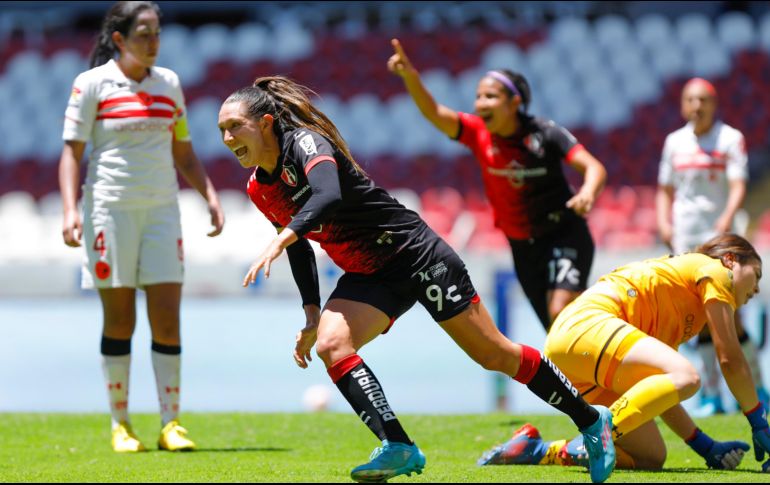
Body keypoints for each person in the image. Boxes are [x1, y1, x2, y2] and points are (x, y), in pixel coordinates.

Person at [218, 75, 616, 483]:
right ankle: (398, 446)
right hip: (371, 272)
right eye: (221, 131)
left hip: (416, 253)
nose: (228, 138)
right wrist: (310, 313)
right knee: (331, 343)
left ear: (265, 122)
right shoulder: (257, 188)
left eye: (235, 126)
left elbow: (328, 196)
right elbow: (302, 250)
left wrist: (283, 236)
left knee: (494, 354)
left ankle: (591, 420)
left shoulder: (305, 144)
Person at [59, 1, 224, 453]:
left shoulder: (169, 83)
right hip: (108, 212)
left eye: (157, 33)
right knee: (120, 318)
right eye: (144, 34)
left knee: (167, 319)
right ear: (119, 38)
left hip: (161, 212)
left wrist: (209, 195)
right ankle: (121, 424)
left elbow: (184, 151)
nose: (153, 42)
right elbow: (72, 153)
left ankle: (171, 424)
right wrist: (71, 210)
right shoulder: (91, 85)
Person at [477, 234, 770, 473]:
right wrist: (758, 419)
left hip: (578, 351)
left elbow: (661, 390)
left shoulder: (683, 306)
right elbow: (729, 358)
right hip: (588, 327)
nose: (756, 288)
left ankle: (537, 449)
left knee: (650, 456)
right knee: (687, 375)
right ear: (731, 260)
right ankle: (600, 431)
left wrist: (704, 445)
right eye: (756, 274)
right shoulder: (716, 270)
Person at [387, 39, 607, 331]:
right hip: (523, 247)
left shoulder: (545, 134)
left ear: (514, 102)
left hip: (563, 234)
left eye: (490, 96)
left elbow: (593, 167)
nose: (481, 103)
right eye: (478, 97)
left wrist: (588, 192)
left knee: (561, 311)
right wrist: (410, 76)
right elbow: (435, 113)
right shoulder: (477, 133)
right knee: (556, 332)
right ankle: (591, 371)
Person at [656, 77, 768, 417]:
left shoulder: (730, 139)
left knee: (730, 317)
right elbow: (664, 189)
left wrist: (727, 219)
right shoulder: (674, 142)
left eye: (703, 100)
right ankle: (713, 396)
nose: (696, 106)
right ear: (682, 105)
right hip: (687, 238)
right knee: (699, 316)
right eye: (690, 100)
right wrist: (663, 222)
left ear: (714, 104)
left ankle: (756, 386)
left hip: (722, 239)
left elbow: (738, 184)